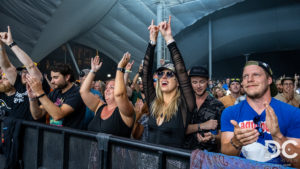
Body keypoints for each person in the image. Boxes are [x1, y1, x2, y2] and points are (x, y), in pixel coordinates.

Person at [221, 60, 300, 167]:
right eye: (245, 76)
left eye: (256, 75)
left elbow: (298, 162)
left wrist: (278, 136)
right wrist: (236, 142)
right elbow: (225, 155)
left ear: (269, 80)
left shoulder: (292, 113)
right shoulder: (230, 113)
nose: (249, 79)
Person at [142, 17, 195, 148]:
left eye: (170, 74)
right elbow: (145, 74)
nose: (164, 77)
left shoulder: (184, 104)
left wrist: (168, 38)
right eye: (160, 73)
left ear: (178, 82)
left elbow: (181, 70)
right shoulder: (154, 102)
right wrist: (152, 41)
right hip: (150, 161)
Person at [80, 53, 135, 137]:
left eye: (112, 87)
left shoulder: (125, 111)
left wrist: (120, 68)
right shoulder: (99, 106)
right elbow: (83, 92)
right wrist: (93, 71)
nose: (107, 90)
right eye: (106, 88)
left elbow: (120, 94)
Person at [0, 26, 43, 121]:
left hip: (33, 132)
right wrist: (1, 45)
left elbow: (30, 66)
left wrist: (11, 43)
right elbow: (6, 66)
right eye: (22, 72)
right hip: (14, 131)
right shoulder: (18, 84)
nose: (24, 74)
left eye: (27, 72)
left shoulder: (39, 85)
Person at [26, 63, 86, 129]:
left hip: (70, 137)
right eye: (51, 78)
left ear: (67, 77)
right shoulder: (55, 92)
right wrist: (32, 99)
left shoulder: (77, 93)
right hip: (55, 135)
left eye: (55, 77)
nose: (52, 81)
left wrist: (40, 92)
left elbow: (57, 115)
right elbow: (37, 115)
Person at [184, 66, 224, 152]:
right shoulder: (184, 103)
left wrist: (214, 137)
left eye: (202, 82)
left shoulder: (218, 105)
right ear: (190, 83)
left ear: (207, 82)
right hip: (184, 154)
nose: (198, 86)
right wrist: (202, 126)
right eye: (194, 82)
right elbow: (178, 130)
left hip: (208, 157)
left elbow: (223, 135)